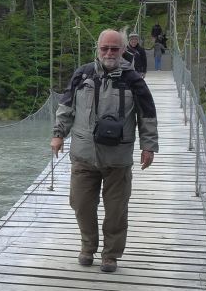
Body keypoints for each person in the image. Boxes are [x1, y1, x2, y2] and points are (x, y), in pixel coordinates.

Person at [50, 29, 158, 272]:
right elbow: (66, 106)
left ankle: (111, 254)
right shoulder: (82, 74)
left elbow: (148, 115)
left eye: (114, 49)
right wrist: (58, 134)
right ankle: (88, 247)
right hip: (83, 155)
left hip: (118, 158)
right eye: (105, 48)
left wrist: (148, 146)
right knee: (80, 204)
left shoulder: (133, 79)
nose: (109, 53)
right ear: (97, 49)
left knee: (116, 209)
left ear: (122, 50)